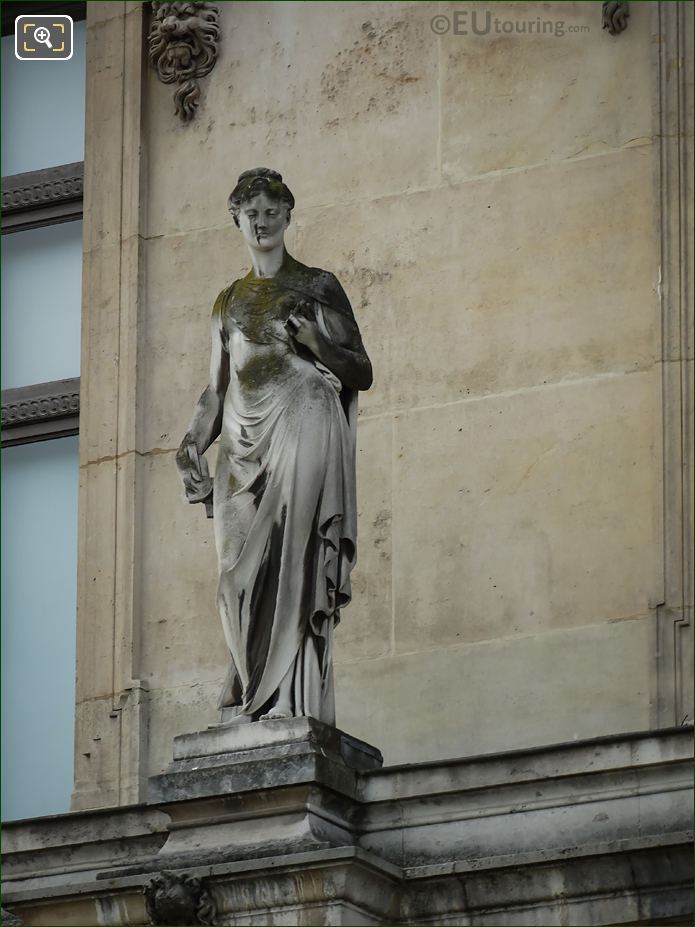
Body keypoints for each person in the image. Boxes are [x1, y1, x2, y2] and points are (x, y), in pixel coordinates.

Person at [176, 168, 372, 724]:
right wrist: (192, 440)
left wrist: (315, 343)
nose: (261, 222)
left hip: (303, 420)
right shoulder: (228, 302)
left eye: (270, 211)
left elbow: (361, 370)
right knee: (234, 579)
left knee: (295, 556)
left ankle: (285, 697)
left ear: (287, 215)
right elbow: (217, 388)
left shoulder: (319, 285)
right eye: (250, 212)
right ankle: (248, 680)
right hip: (240, 446)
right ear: (237, 220)